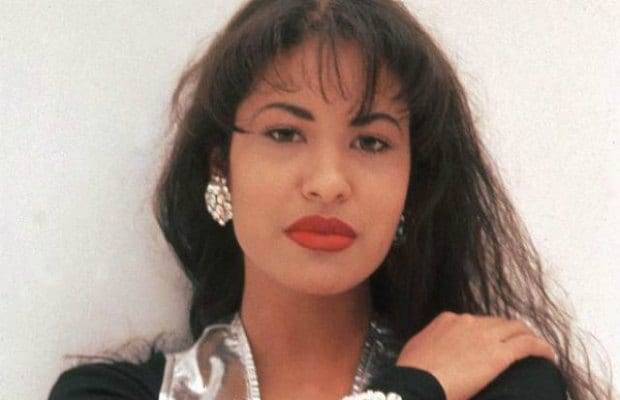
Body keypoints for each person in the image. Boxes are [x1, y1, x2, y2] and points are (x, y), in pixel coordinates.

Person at [48, 1, 613, 399]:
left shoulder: (504, 385)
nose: (328, 181)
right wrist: (413, 390)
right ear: (221, 167)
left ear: (412, 184)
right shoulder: (105, 394)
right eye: (284, 133)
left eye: (371, 142)